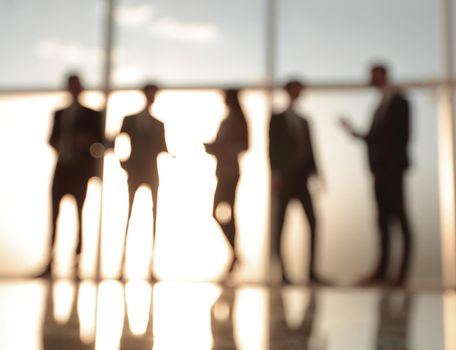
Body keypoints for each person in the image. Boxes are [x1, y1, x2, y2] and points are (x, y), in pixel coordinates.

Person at [340, 64, 413, 287]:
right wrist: (353, 132)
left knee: (400, 219)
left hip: (392, 171)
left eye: (373, 76)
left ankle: (401, 274)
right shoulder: (379, 106)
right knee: (382, 221)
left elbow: (402, 137)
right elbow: (374, 138)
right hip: (379, 172)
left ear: (383, 75)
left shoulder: (400, 102)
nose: (370, 80)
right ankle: (382, 272)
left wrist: (391, 165)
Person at [42, 74, 103, 277]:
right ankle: (50, 263)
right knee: (54, 217)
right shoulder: (59, 113)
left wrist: (87, 143)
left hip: (80, 171)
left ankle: (77, 263)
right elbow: (51, 139)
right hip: (61, 169)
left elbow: (100, 142)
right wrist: (59, 144)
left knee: (79, 215)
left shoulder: (92, 114)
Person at [269, 80, 325, 285]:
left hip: (302, 179)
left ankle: (311, 272)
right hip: (284, 179)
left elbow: (311, 150)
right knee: (281, 226)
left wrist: (317, 175)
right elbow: (271, 148)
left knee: (313, 222)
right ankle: (283, 273)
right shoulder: (276, 118)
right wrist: (275, 176)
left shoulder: (305, 121)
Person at [117, 84, 168, 278]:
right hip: (135, 171)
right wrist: (123, 163)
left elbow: (162, 147)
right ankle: (122, 263)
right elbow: (119, 141)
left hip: (151, 173)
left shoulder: (158, 124)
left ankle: (151, 265)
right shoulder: (130, 120)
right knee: (129, 214)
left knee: (154, 215)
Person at [205, 89, 249, 280]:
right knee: (220, 211)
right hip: (222, 171)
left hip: (231, 172)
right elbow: (219, 144)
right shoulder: (225, 121)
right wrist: (213, 147)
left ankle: (235, 255)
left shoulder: (239, 120)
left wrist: (223, 148)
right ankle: (235, 254)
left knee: (227, 209)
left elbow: (245, 145)